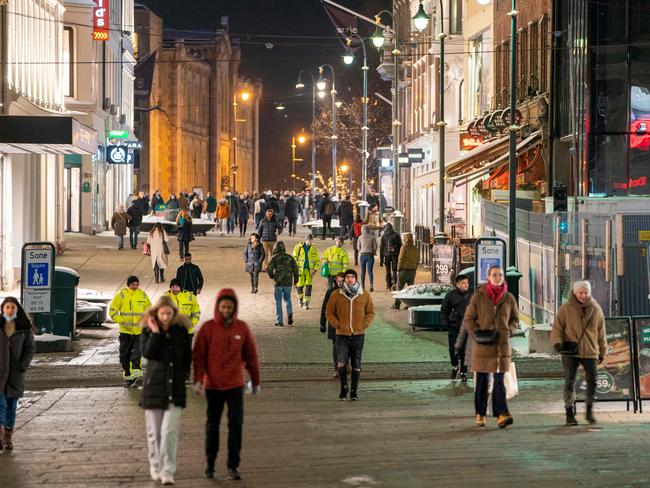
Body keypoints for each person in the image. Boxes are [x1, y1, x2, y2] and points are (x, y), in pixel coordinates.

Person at [193, 288, 260, 481]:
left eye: (229, 307)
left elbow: (251, 356)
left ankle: (233, 465)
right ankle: (210, 464)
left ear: (234, 307)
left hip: (234, 385)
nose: (226, 310)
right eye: (223, 307)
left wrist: (255, 380)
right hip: (213, 386)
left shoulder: (242, 328)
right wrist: (198, 379)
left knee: (236, 425)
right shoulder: (208, 328)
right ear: (217, 306)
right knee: (212, 426)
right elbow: (199, 356)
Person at [139, 296, 192, 485]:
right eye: (162, 313)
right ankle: (156, 466)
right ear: (156, 313)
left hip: (175, 387)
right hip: (154, 386)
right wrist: (155, 333)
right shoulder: (147, 330)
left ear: (174, 313)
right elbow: (147, 353)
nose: (166, 317)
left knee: (170, 431)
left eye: (169, 313)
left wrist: (185, 375)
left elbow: (187, 356)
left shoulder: (181, 331)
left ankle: (168, 469)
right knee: (154, 433)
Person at [464, 265, 519, 429]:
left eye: (500, 275)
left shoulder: (508, 298)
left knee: (499, 381)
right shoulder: (479, 297)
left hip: (501, 346)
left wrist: (510, 330)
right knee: (481, 382)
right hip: (482, 346)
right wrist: (476, 334)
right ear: (488, 277)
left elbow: (515, 319)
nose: (497, 277)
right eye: (494, 275)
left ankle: (501, 414)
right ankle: (480, 413)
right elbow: (468, 319)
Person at [551, 280, 606, 426]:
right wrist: (557, 343)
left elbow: (601, 332)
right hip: (571, 351)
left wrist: (602, 351)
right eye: (580, 292)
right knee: (570, 381)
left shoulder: (596, 308)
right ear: (575, 293)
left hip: (590, 350)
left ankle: (589, 410)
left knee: (593, 381)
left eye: (585, 292)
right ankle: (569, 413)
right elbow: (557, 327)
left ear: (589, 293)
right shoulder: (566, 308)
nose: (583, 295)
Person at [325, 269, 375, 401]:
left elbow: (370, 312)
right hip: (342, 335)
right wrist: (337, 324)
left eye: (352, 277)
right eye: (347, 277)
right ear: (344, 279)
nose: (350, 279)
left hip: (358, 334)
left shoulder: (364, 294)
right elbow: (329, 312)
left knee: (356, 363)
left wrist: (363, 324)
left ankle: (354, 390)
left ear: (356, 279)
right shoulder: (337, 294)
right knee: (342, 362)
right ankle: (343, 388)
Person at [0, 297, 35, 451]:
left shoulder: (24, 328)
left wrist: (23, 365)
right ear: (2, 309)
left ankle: (7, 437)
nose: (10, 310)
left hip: (15, 373)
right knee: (0, 405)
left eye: (13, 307)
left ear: (17, 309)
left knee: (11, 406)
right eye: (7, 307)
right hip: (0, 373)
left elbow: (30, 348)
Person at [110, 276, 152, 388]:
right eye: (133, 284)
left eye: (137, 284)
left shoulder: (142, 295)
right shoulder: (121, 295)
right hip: (125, 332)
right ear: (128, 284)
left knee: (137, 354)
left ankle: (137, 377)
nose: (135, 286)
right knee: (125, 355)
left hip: (139, 331)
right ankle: (128, 378)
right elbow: (112, 311)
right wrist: (121, 320)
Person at [440, 274, 471, 382]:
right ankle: (455, 366)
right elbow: (444, 310)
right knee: (453, 350)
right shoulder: (450, 296)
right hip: (454, 327)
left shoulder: (472, 295)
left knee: (465, 351)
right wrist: (446, 323)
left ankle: (463, 372)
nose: (465, 285)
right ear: (457, 284)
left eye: (467, 283)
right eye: (463, 283)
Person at [267, 241, 299, 326]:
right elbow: (296, 269)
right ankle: (289, 316)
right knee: (288, 299)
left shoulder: (274, 258)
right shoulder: (290, 257)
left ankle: (279, 320)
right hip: (288, 282)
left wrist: (272, 276)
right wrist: (296, 280)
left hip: (278, 282)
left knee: (278, 301)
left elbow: (268, 268)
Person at [320, 272, 345, 377]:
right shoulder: (330, 292)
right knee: (336, 346)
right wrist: (322, 323)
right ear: (335, 280)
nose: (340, 283)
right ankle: (337, 369)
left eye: (342, 281)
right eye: (339, 281)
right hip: (334, 324)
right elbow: (325, 308)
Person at [292, 234, 320, 309]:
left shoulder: (313, 249)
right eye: (309, 240)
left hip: (309, 272)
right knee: (299, 287)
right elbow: (294, 259)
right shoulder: (298, 247)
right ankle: (300, 299)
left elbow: (317, 261)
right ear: (306, 240)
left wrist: (315, 269)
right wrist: (295, 270)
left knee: (308, 287)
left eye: (311, 240)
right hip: (300, 271)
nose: (310, 242)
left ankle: (306, 303)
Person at [392, 233, 419, 309]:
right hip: (412, 271)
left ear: (405, 239)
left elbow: (400, 259)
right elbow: (418, 260)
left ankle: (397, 305)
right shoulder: (415, 248)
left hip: (404, 270)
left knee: (399, 288)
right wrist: (415, 268)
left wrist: (398, 269)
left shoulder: (404, 247)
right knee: (410, 289)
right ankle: (409, 304)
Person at [380, 223, 402, 290]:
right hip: (395, 255)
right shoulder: (396, 235)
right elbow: (400, 245)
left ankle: (389, 285)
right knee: (394, 270)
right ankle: (395, 284)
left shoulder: (384, 236)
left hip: (387, 256)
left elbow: (381, 247)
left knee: (388, 271)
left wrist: (381, 258)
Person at [357, 225, 377, 292]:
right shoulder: (372, 237)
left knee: (363, 271)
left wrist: (362, 250)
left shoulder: (360, 237)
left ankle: (363, 287)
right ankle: (371, 285)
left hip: (363, 255)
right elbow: (375, 247)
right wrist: (373, 251)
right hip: (370, 255)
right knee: (370, 271)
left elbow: (358, 247)